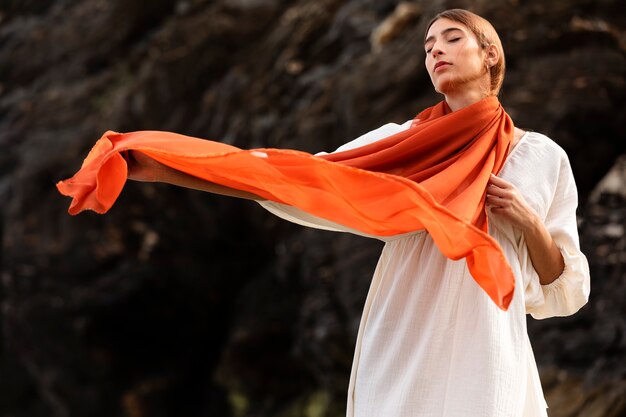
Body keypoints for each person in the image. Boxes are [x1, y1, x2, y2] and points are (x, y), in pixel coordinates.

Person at [125, 9, 590, 417]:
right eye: (428, 47)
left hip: (487, 339)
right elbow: (303, 179)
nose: (436, 52)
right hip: (405, 327)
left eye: (452, 39)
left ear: (490, 54)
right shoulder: (402, 141)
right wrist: (170, 169)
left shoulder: (541, 156)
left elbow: (562, 291)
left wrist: (529, 222)